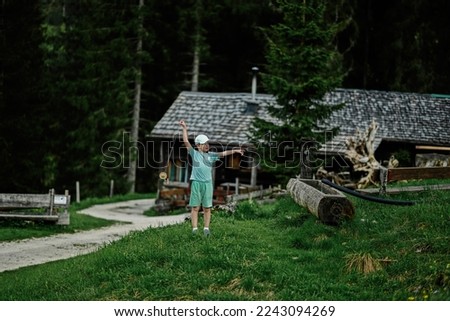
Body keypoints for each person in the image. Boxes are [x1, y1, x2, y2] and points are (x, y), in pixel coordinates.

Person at [179, 120, 244, 236]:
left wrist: (236, 150)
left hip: (208, 184)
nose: (207, 145)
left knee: (207, 208)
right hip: (196, 183)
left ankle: (206, 229)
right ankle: (194, 229)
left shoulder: (211, 156)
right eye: (204, 143)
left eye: (207, 143)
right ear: (198, 145)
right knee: (195, 207)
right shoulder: (194, 154)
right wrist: (184, 128)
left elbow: (224, 153)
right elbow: (185, 141)